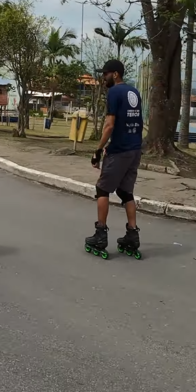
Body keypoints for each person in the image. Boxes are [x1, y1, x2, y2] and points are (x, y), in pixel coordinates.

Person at [85, 59, 143, 259]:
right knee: (126, 192)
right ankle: (132, 235)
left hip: (119, 150)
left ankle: (100, 234)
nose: (103, 78)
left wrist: (98, 150)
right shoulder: (134, 92)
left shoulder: (114, 93)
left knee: (102, 189)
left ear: (115, 74)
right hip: (135, 149)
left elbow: (109, 125)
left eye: (105, 74)